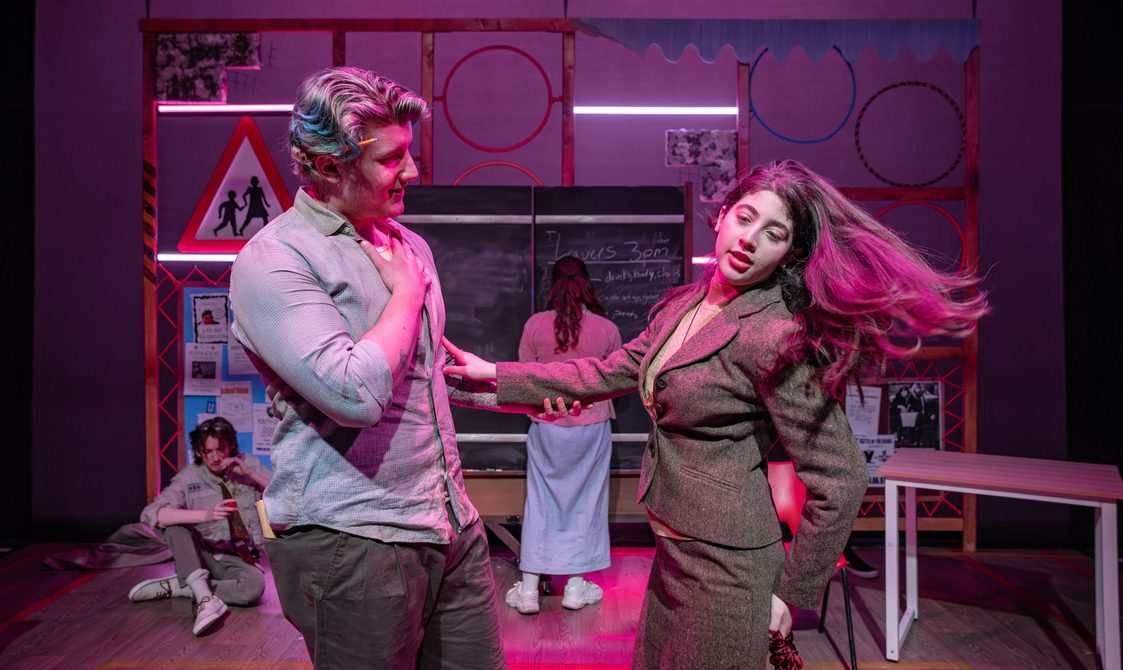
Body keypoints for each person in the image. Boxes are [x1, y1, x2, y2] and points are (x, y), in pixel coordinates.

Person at [445, 159, 988, 669]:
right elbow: (611, 370)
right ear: (723, 215)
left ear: (788, 255)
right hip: (674, 553)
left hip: (731, 571)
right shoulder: (686, 305)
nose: (750, 239)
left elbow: (841, 477)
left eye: (774, 234)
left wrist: (791, 593)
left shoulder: (774, 335)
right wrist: (493, 374)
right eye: (745, 218)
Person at [229, 66, 507, 669]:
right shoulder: (275, 260)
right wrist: (406, 294)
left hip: (448, 522)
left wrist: (521, 393)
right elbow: (355, 394)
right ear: (329, 166)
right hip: (353, 538)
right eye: (391, 158)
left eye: (410, 153)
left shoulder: (406, 244)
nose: (413, 171)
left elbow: (422, 372)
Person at [505, 256, 622, 615]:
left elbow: (524, 379)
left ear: (551, 284)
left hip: (547, 425)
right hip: (592, 426)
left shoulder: (534, 325)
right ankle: (574, 587)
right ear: (587, 283)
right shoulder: (606, 329)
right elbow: (618, 381)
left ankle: (528, 591)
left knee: (540, 502)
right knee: (586, 502)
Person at [130, 417, 271, 636]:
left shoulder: (247, 464)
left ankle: (185, 587)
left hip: (239, 556)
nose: (215, 457)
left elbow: (282, 494)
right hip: (202, 555)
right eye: (208, 451)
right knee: (175, 525)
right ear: (198, 451)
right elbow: (151, 513)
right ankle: (204, 599)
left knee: (253, 588)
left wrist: (249, 474)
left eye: (220, 449)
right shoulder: (188, 478)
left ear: (230, 446)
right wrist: (205, 515)